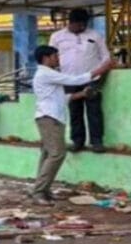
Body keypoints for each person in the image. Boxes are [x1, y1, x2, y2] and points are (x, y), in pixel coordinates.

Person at [29, 45, 115, 205]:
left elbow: (61, 97)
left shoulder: (47, 75)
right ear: (46, 58)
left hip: (51, 117)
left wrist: (82, 94)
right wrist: (102, 68)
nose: (58, 59)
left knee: (48, 154)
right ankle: (39, 192)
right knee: (57, 154)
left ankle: (43, 190)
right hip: (50, 117)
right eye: (55, 56)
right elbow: (75, 80)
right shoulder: (46, 73)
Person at [48, 8, 112, 153]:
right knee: (74, 111)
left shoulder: (95, 35)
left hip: (91, 79)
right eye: (78, 25)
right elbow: (50, 58)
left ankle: (97, 141)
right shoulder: (57, 37)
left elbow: (106, 58)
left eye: (83, 25)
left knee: (94, 110)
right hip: (69, 79)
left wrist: (100, 76)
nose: (81, 28)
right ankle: (77, 141)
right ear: (70, 23)